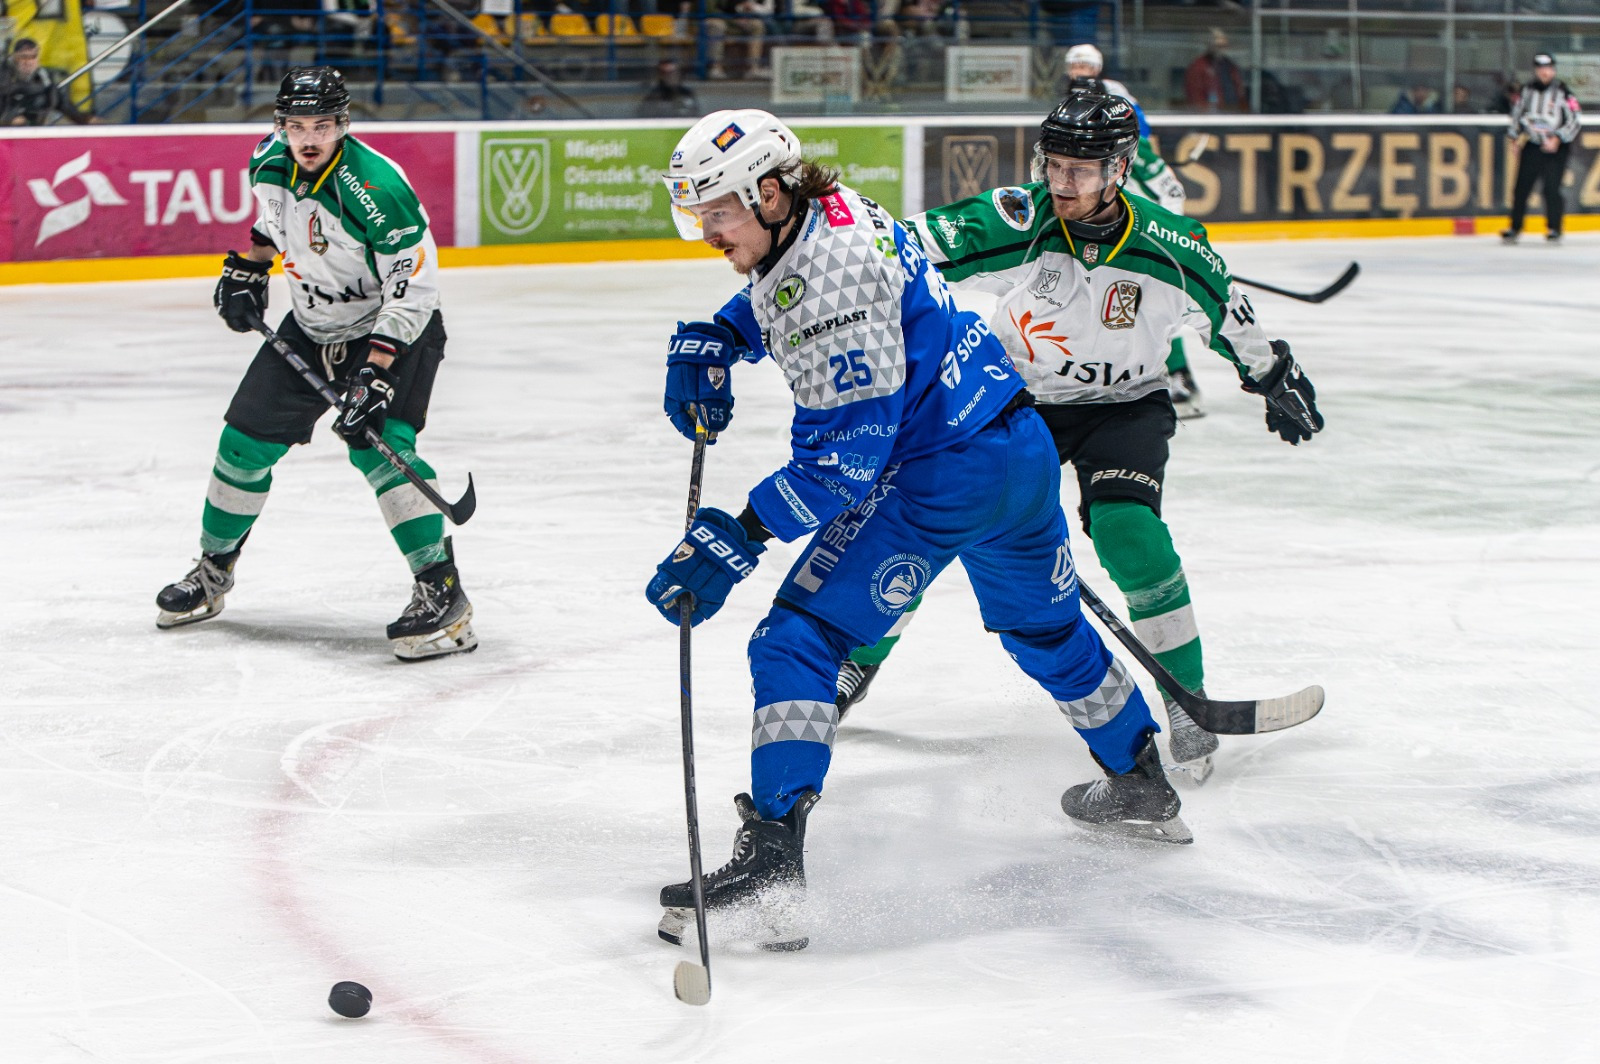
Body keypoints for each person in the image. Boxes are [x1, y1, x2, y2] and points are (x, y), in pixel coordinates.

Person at [648, 109, 1190, 948]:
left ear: (766, 191)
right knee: (1045, 630)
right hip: (1018, 448)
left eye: (717, 210)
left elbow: (842, 466)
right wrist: (727, 332)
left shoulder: (823, 288)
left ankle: (770, 867)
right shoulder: (837, 207)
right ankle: (1141, 782)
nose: (707, 232)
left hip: (938, 476)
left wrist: (739, 534)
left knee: (797, 641)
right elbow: (790, 289)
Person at [835, 88, 1325, 788]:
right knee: (931, 520)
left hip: (1123, 407)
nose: (1061, 183)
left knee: (1134, 539)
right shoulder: (1022, 219)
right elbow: (905, 250)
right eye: (1054, 165)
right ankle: (859, 657)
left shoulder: (1173, 246)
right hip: (1011, 397)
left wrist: (1273, 373)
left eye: (1080, 171)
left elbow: (1227, 313)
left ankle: (1185, 702)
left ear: (1120, 170)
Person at [155, 67, 478, 662]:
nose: (308, 138)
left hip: (390, 331)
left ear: (343, 125)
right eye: (297, 125)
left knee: (382, 448)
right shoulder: (268, 159)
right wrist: (251, 267)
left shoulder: (375, 188)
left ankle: (442, 593)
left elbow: (413, 286)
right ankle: (212, 572)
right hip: (308, 326)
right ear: (280, 125)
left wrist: (377, 371)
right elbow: (272, 221)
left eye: (322, 126)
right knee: (242, 446)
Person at [1062, 45, 1202, 418]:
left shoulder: (1128, 147)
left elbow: (1172, 192)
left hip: (1138, 239)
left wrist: (1160, 232)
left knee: (1152, 310)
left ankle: (1180, 378)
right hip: (1099, 241)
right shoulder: (1074, 149)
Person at [1502, 53, 1582, 245]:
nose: (1545, 72)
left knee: (1551, 188)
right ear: (1536, 71)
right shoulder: (1526, 91)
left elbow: (1574, 119)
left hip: (1556, 148)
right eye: (1541, 69)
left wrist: (1558, 138)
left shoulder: (1564, 92)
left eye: (1548, 69)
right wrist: (1513, 137)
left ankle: (1554, 227)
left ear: (1553, 70)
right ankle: (1515, 227)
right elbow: (1517, 114)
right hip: (1533, 144)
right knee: (1521, 188)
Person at [1, 37, 100, 126]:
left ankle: (82, 120)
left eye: (32, 57)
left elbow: (58, 99)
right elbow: (5, 89)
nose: (28, 62)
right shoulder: (5, 70)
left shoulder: (42, 74)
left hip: (27, 121)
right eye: (23, 57)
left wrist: (83, 119)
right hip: (6, 119)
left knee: (51, 95)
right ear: (15, 58)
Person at [1183, 29, 1246, 114]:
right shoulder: (1198, 67)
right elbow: (1195, 95)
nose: (1221, 49)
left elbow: (1239, 90)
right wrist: (1206, 112)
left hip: (1232, 111)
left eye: (1224, 46)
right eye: (1218, 45)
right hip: (1211, 115)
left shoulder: (1229, 65)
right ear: (1210, 46)